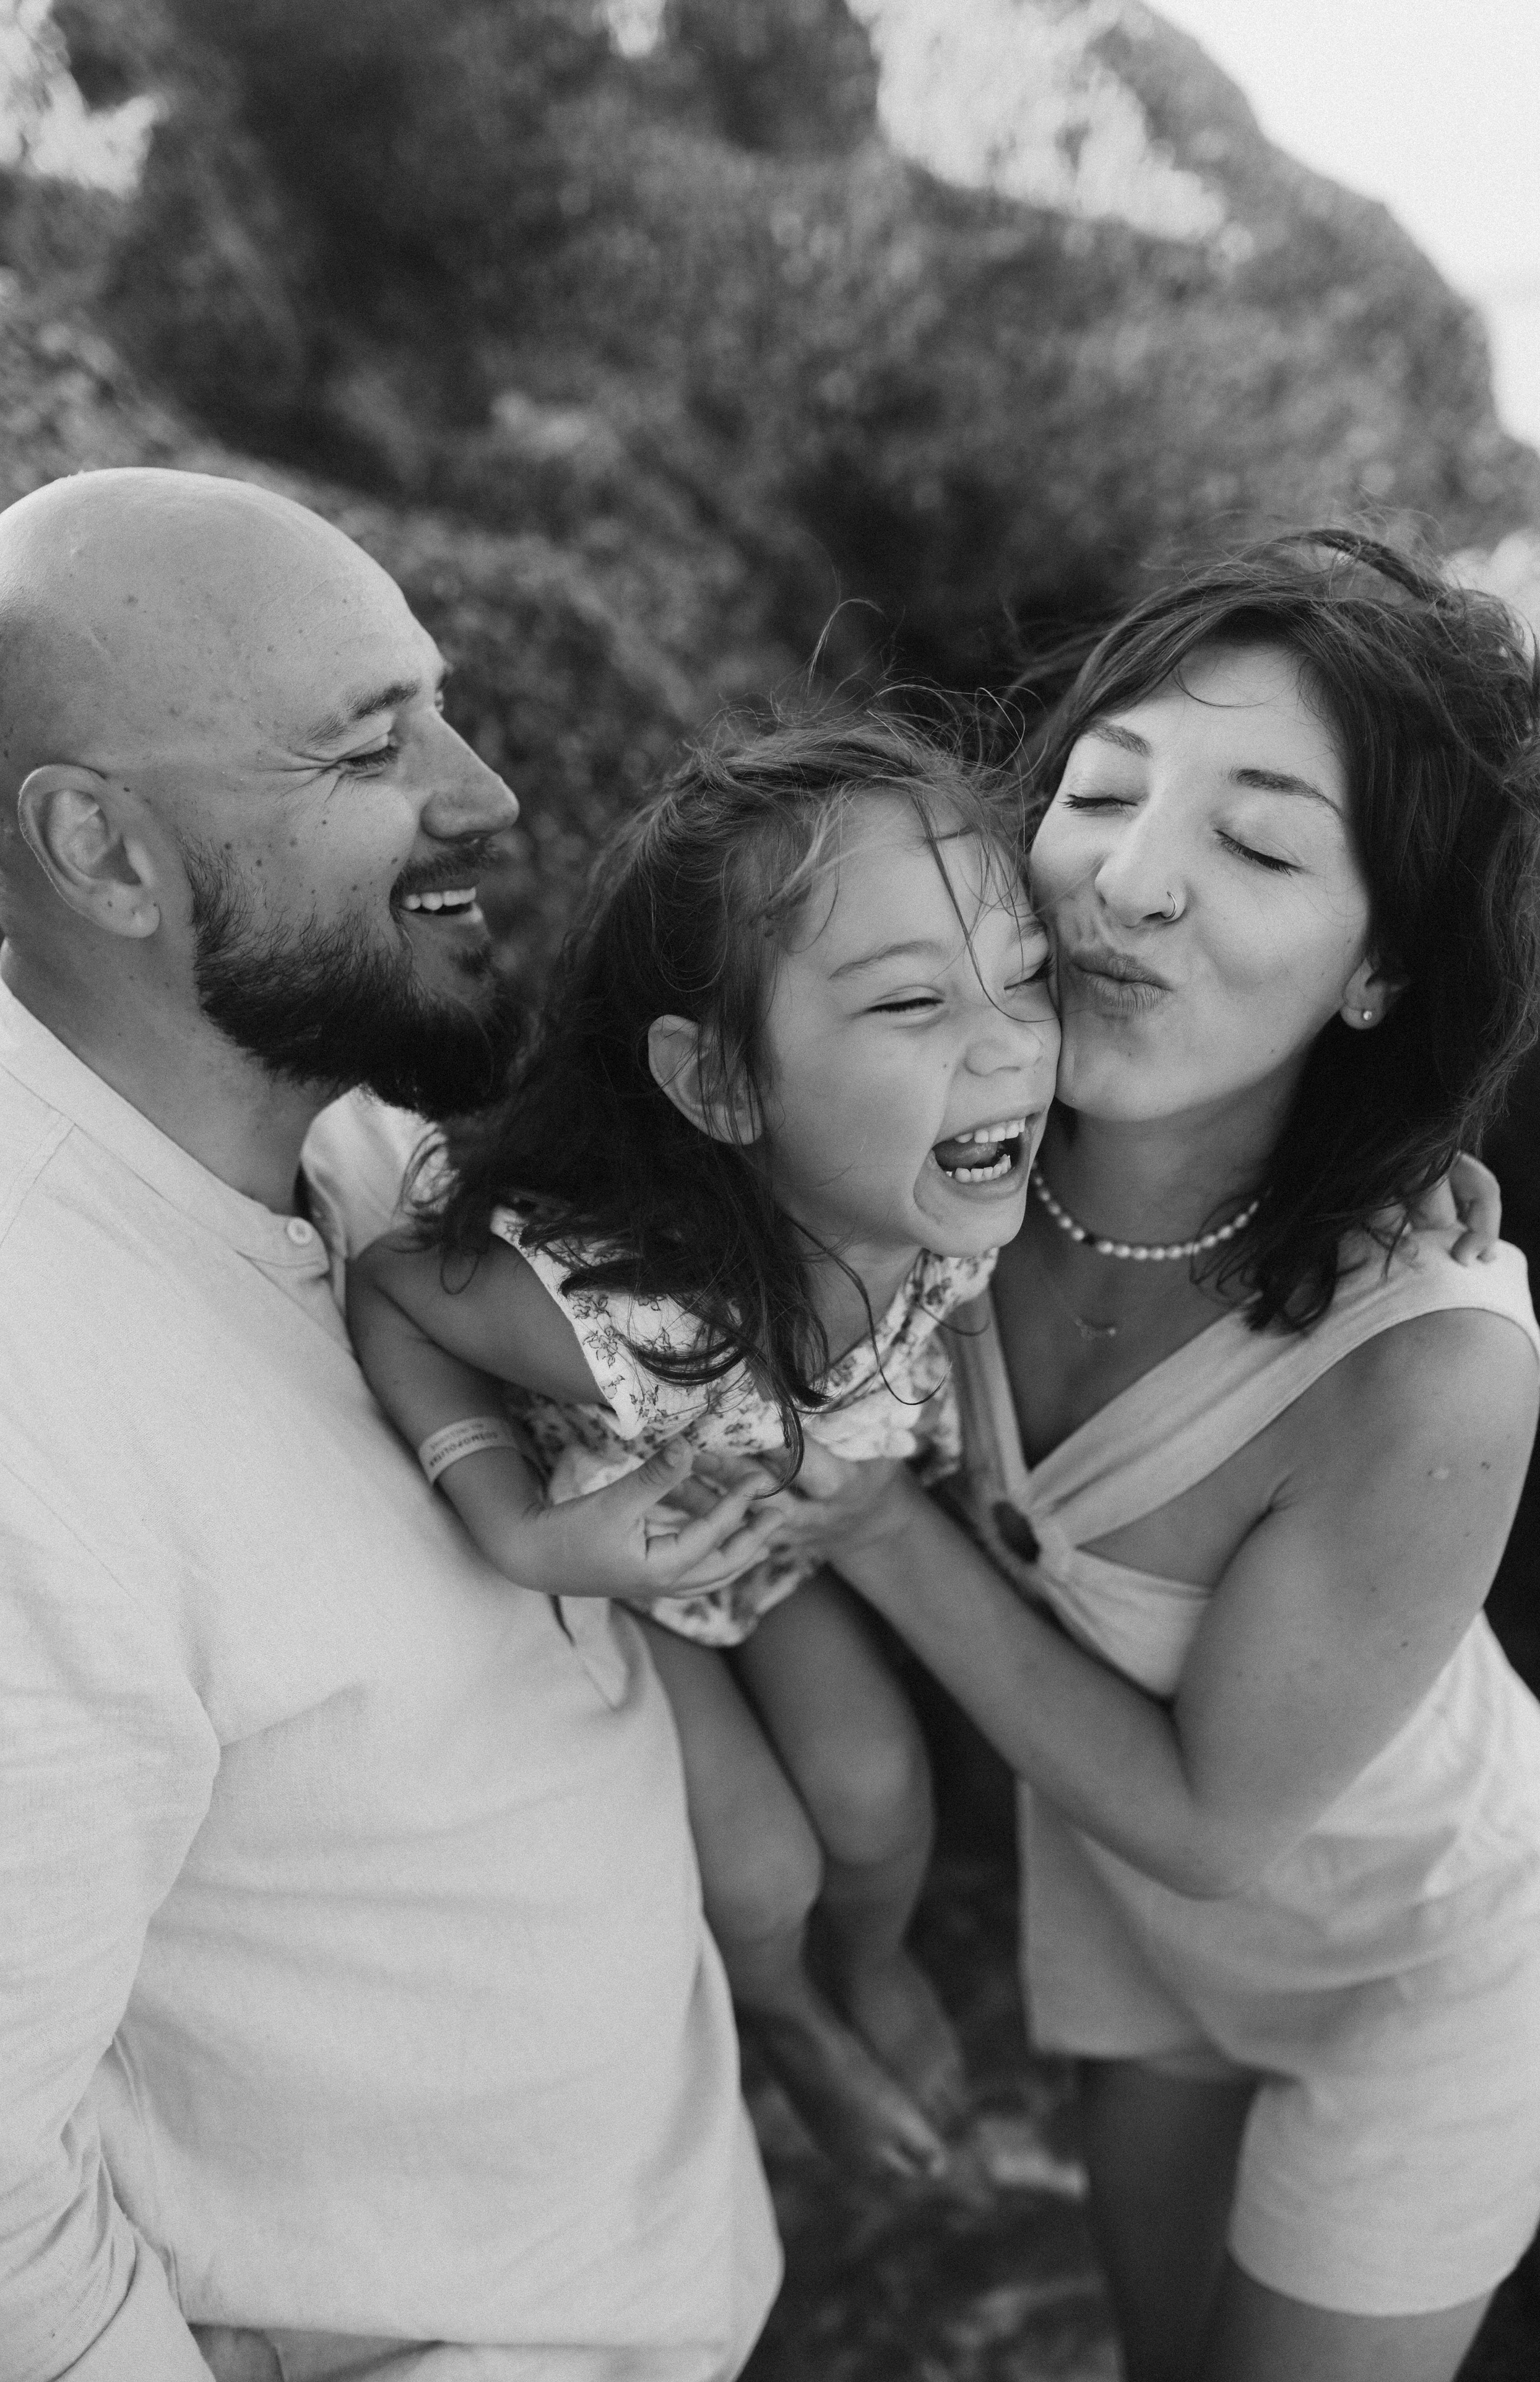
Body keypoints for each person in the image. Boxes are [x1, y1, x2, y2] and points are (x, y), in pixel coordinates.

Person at [753, 535, 1540, 2382]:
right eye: (1102, 791)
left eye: (1262, 847)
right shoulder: (940, 1146)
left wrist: (878, 1524)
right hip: (1132, 1918)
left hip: (1418, 1958)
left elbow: (1217, 1823)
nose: (1129, 882)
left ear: (1378, 969)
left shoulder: (1430, 1361)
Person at [0, 466, 780, 2382]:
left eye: (439, 707)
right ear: (104, 850)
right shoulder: (35, 1399)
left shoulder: (341, 1125)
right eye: (371, 747)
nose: (486, 792)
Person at [346, 717, 1061, 2181]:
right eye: (911, 1000)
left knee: (875, 1797)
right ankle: (785, 2013)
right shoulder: (635, 1314)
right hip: (633, 1551)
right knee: (758, 1869)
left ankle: (869, 1960)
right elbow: (395, 1289)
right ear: (723, 1083)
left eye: (1028, 972)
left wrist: (1412, 1183)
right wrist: (519, 1526)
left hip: (774, 1539)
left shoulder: (961, 1179)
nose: (1010, 1042)